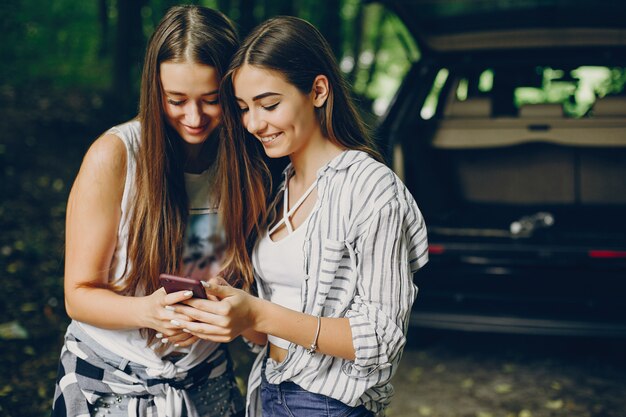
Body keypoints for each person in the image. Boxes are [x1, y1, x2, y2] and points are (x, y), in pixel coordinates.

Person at [169, 16, 429, 417]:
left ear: (319, 91)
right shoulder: (280, 189)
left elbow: (381, 338)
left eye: (269, 104)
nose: (254, 124)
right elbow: (269, 325)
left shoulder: (371, 189)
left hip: (328, 404)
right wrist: (232, 308)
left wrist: (258, 311)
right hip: (270, 387)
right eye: (243, 108)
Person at [51, 5, 268, 417]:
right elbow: (77, 295)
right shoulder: (115, 156)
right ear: (155, 92)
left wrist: (218, 310)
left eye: (210, 100)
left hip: (205, 381)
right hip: (107, 381)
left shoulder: (247, 170)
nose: (194, 117)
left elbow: (215, 275)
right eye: (176, 100)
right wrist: (146, 312)